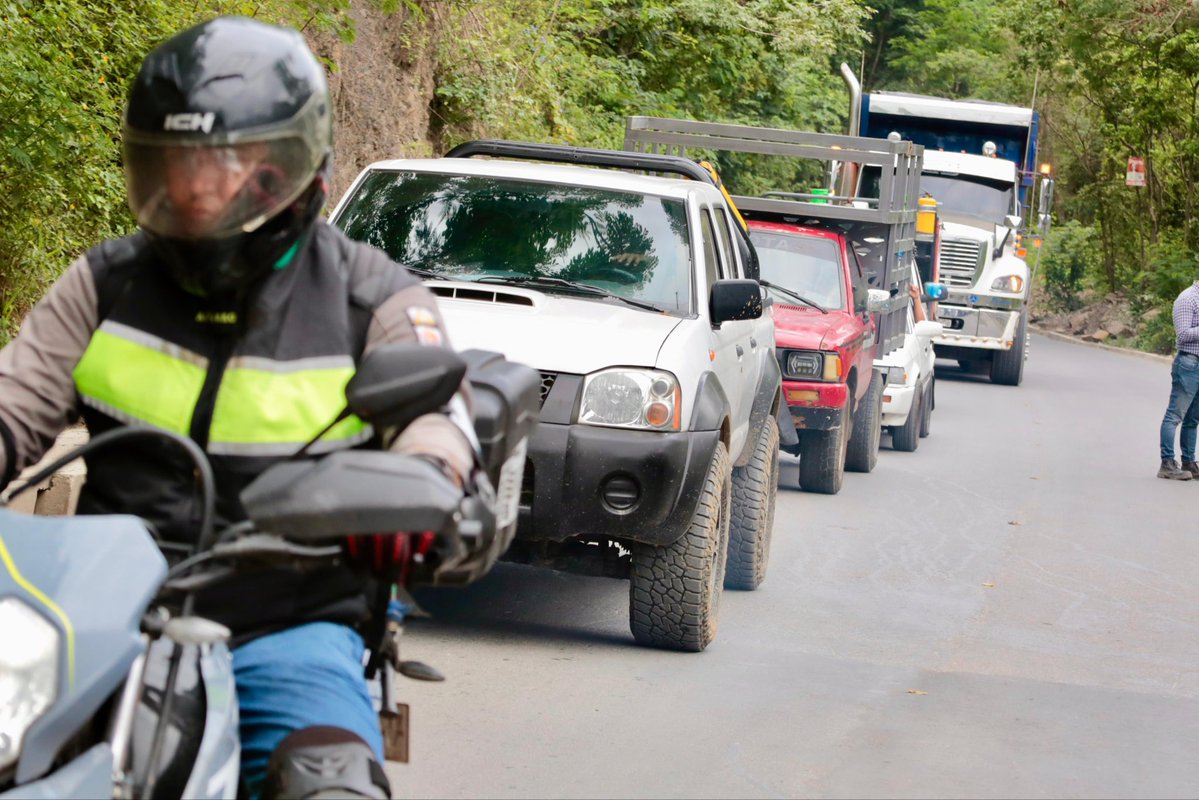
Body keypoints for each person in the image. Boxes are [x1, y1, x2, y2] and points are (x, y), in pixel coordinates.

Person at [0, 16, 476, 798]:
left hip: (285, 622)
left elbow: (435, 420)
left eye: (226, 167)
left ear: (289, 170)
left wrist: (423, 483)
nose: (197, 191)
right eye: (175, 167)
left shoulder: (372, 299)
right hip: (94, 613)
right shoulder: (104, 284)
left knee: (331, 785)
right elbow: (15, 401)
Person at [1158, 278, 1199, 480]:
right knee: (1175, 416)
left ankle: (1189, 463)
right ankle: (1166, 463)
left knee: (1193, 419)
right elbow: (1183, 335)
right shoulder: (1187, 299)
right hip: (1189, 364)